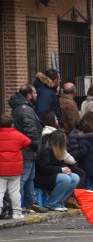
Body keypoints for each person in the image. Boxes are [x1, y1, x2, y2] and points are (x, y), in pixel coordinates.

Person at [9, 84, 48, 213]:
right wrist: (36, 145)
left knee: (30, 177)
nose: (37, 95)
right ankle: (16, 206)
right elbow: (30, 129)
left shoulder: (22, 107)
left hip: (28, 150)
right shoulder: (25, 109)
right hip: (27, 150)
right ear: (29, 95)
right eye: (35, 93)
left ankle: (30, 202)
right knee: (24, 178)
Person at [35, 130, 80, 211]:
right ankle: (52, 204)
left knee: (75, 177)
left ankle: (60, 202)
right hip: (41, 177)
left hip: (52, 174)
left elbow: (60, 164)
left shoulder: (58, 150)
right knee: (65, 179)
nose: (66, 141)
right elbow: (43, 168)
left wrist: (66, 169)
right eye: (65, 140)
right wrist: (61, 170)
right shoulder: (46, 150)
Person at [0, 114, 31, 219]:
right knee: (15, 191)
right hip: (15, 168)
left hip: (1, 168)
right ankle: (17, 212)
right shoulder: (17, 135)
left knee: (0, 191)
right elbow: (28, 142)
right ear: (12, 124)